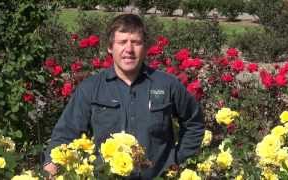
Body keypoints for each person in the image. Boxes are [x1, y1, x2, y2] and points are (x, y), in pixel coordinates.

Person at [43, 13, 205, 179]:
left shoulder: (167, 85)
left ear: (145, 47)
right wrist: (52, 163)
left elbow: (194, 122)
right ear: (110, 47)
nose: (129, 49)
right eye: (122, 42)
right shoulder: (91, 88)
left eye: (136, 42)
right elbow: (66, 132)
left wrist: (177, 159)